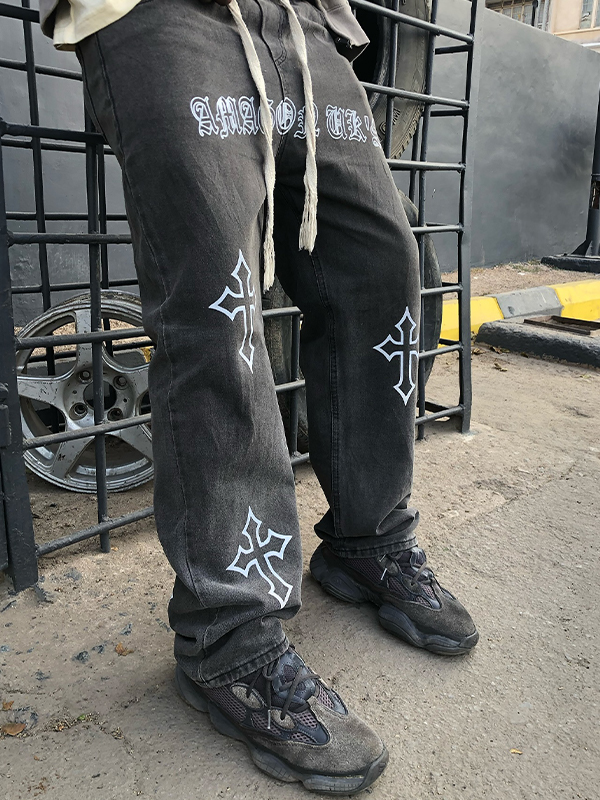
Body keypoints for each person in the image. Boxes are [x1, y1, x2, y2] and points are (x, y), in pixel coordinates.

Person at [41, 0, 479, 793]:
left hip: (304, 23)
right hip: (161, 15)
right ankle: (229, 637)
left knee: (384, 272)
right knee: (217, 309)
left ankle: (369, 538)